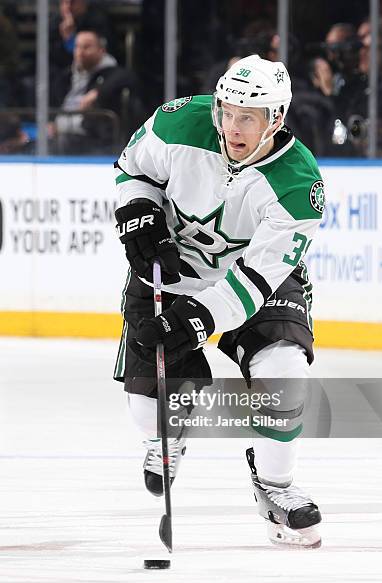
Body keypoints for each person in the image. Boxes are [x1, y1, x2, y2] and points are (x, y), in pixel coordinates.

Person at [113, 55, 325, 547]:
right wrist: (139, 210)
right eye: (227, 111)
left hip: (254, 278)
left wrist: (201, 318)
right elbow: (132, 169)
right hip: (171, 266)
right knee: (147, 412)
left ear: (276, 118)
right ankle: (171, 425)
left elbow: (257, 277)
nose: (232, 126)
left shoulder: (298, 184)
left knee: (286, 372)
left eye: (247, 117)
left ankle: (275, 487)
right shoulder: (179, 121)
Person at [50, 30, 143, 154]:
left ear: (101, 50)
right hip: (59, 132)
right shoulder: (67, 75)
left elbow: (129, 77)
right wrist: (51, 121)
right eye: (77, 47)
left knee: (61, 143)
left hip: (92, 139)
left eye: (86, 47)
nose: (80, 52)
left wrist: (97, 92)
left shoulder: (112, 73)